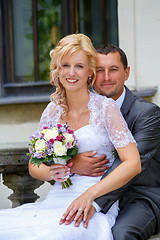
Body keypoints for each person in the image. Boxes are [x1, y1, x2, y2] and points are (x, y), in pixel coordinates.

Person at [0, 34, 140, 240]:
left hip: (95, 203)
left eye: (79, 66)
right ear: (57, 69)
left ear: (90, 71)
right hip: (57, 198)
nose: (71, 73)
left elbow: (133, 163)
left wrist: (90, 196)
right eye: (65, 65)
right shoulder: (51, 111)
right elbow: (34, 166)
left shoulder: (105, 108)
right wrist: (57, 171)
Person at [60, 43, 160, 240]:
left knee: (120, 234)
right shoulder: (82, 110)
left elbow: (130, 164)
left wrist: (92, 200)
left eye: (113, 70)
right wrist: (73, 164)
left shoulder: (148, 114)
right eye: (99, 70)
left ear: (126, 72)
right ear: (90, 74)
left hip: (139, 197)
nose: (106, 77)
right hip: (89, 191)